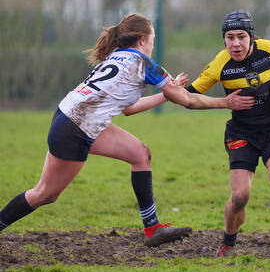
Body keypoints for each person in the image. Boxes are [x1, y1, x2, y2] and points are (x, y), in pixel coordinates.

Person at [0, 13, 255, 248]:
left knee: (140, 153)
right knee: (45, 193)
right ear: (143, 39)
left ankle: (152, 229)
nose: (153, 45)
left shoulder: (118, 57)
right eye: (152, 39)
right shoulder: (144, 62)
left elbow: (130, 109)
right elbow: (187, 100)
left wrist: (168, 94)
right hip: (76, 128)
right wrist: (225, 103)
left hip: (72, 118)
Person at [185, 10, 270, 257]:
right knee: (240, 196)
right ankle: (227, 243)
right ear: (224, 39)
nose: (235, 43)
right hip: (241, 134)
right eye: (230, 37)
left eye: (241, 36)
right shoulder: (220, 63)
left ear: (251, 37)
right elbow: (189, 97)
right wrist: (223, 103)